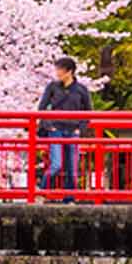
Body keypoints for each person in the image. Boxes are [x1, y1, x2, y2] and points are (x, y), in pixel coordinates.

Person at [37, 54, 93, 196]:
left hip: (72, 130)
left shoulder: (81, 89)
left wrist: (79, 129)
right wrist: (49, 125)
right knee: (56, 164)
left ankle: (70, 198)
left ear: (69, 72)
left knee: (72, 168)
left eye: (59, 70)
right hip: (56, 129)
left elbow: (88, 112)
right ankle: (42, 191)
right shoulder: (53, 87)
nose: (57, 73)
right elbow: (42, 108)